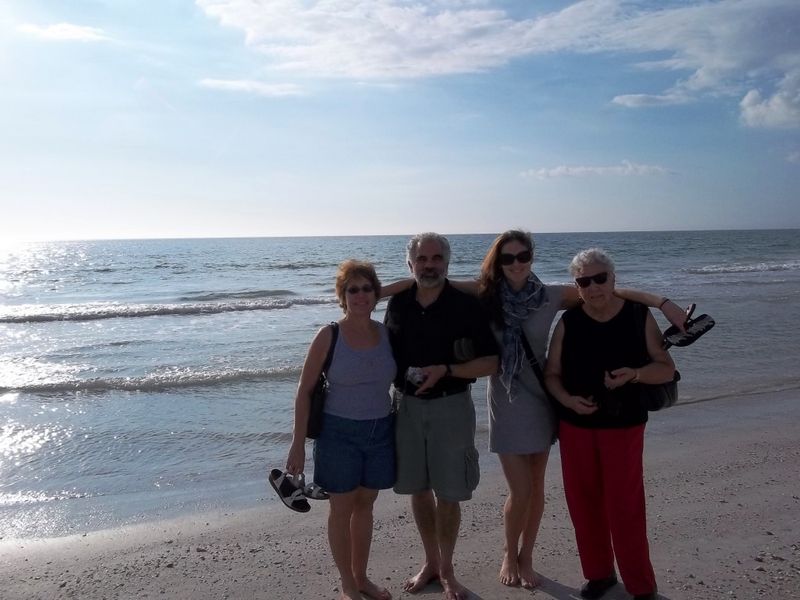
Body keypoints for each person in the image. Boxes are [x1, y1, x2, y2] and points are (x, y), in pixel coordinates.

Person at [384, 230, 687, 590]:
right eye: (507, 258)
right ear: (498, 262)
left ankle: (527, 557)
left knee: (536, 486)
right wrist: (372, 291)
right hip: (506, 397)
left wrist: (663, 303)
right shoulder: (486, 293)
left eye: (522, 256)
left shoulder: (551, 296)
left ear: (532, 257)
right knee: (521, 489)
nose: (516, 264)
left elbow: (609, 291)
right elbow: (426, 280)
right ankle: (509, 554)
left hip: (541, 396)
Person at [544, 248, 674, 600]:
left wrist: (634, 374)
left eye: (600, 278)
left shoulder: (636, 315)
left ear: (613, 279)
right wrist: (567, 400)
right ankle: (599, 575)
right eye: (584, 281)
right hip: (576, 425)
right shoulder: (569, 322)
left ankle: (641, 586)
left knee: (625, 505)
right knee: (583, 503)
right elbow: (552, 374)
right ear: (577, 286)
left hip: (624, 425)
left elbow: (666, 368)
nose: (594, 287)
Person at [383, 232, 499, 600]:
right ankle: (430, 562)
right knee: (417, 490)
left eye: (436, 259)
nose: (429, 265)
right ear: (410, 264)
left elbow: (491, 362)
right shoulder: (398, 303)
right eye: (422, 259)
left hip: (452, 406)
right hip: (405, 407)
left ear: (447, 263)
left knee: (448, 493)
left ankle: (447, 569)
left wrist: (447, 370)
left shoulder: (466, 305)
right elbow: (383, 355)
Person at [286, 260, 396, 600]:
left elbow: (416, 284)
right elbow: (304, 390)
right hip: (337, 433)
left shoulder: (386, 333)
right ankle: (347, 583)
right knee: (341, 508)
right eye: (353, 289)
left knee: (366, 505)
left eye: (367, 289)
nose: (361, 295)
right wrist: (297, 443)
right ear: (342, 296)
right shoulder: (328, 335)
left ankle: (361, 578)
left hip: (380, 431)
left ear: (376, 293)